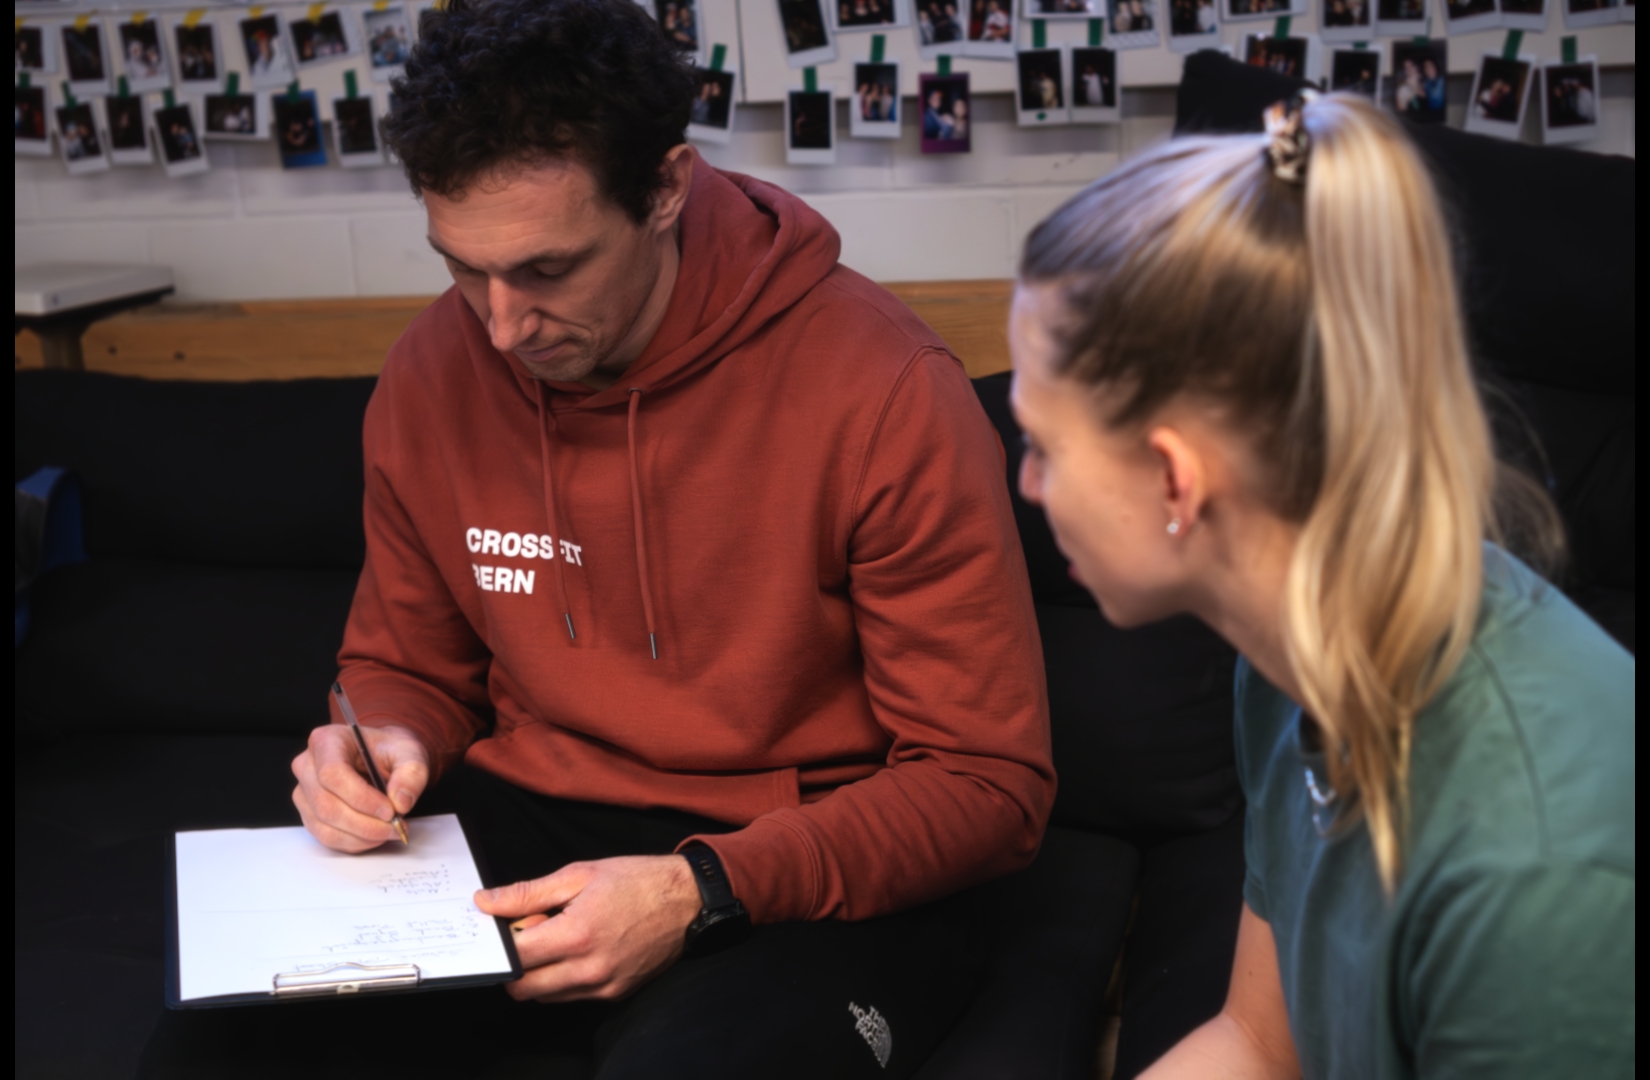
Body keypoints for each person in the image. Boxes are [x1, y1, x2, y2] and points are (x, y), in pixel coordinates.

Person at [137, 0, 1052, 1076]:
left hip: (814, 857)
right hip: (537, 818)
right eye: (461, 266)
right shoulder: (432, 374)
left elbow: (987, 784)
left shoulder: (885, 388)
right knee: (214, 1049)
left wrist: (699, 889)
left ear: (665, 189)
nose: (500, 327)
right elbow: (405, 666)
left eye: (547, 270)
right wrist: (383, 739)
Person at [1008, 92, 1634, 1078]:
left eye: (1043, 446)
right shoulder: (1292, 653)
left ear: (1175, 479)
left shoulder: (1536, 877)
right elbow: (1261, 1042)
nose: (1027, 485)